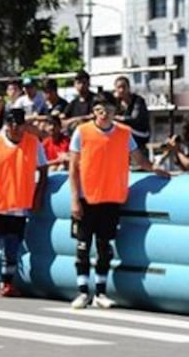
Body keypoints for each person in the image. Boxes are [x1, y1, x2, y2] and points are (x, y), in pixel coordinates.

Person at [68, 98, 170, 309]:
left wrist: (153, 169)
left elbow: (138, 159)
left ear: (116, 111)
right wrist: (74, 199)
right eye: (99, 110)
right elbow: (73, 168)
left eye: (108, 109)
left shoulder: (124, 133)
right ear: (94, 111)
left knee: (104, 247)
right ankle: (82, 292)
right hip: (87, 198)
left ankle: (100, 293)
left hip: (112, 198)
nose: (104, 113)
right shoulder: (82, 131)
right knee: (83, 246)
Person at [0, 108, 48, 298]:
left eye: (20, 124)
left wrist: (37, 196)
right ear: (7, 125)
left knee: (13, 244)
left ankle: (7, 282)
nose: (16, 128)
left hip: (21, 201)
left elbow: (43, 170)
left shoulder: (33, 143)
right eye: (12, 124)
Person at [112, 76, 151, 149]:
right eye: (119, 88)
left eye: (124, 87)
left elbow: (135, 118)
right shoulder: (116, 101)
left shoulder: (138, 100)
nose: (121, 90)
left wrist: (119, 118)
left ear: (128, 87)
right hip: (125, 132)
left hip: (140, 133)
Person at [61, 70, 95, 134]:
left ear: (89, 84)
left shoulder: (95, 99)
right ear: (74, 85)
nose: (81, 85)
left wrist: (74, 119)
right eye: (78, 83)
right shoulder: (73, 102)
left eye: (84, 83)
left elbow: (93, 116)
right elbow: (63, 117)